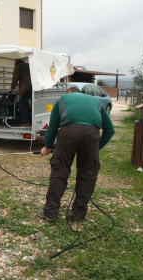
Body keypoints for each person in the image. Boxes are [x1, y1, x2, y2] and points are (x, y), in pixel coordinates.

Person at [38, 86, 115, 222]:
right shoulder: (96, 101)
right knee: (87, 175)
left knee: (60, 172)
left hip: (68, 132)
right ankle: (78, 216)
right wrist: (96, 149)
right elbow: (109, 130)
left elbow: (53, 126)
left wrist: (48, 146)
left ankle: (50, 213)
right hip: (92, 134)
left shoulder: (62, 99)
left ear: (68, 93)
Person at [8, 59, 32, 127]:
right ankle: (32, 121)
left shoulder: (18, 66)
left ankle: (25, 122)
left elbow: (15, 77)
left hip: (26, 87)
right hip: (34, 87)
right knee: (33, 105)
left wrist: (12, 88)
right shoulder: (30, 65)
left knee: (22, 104)